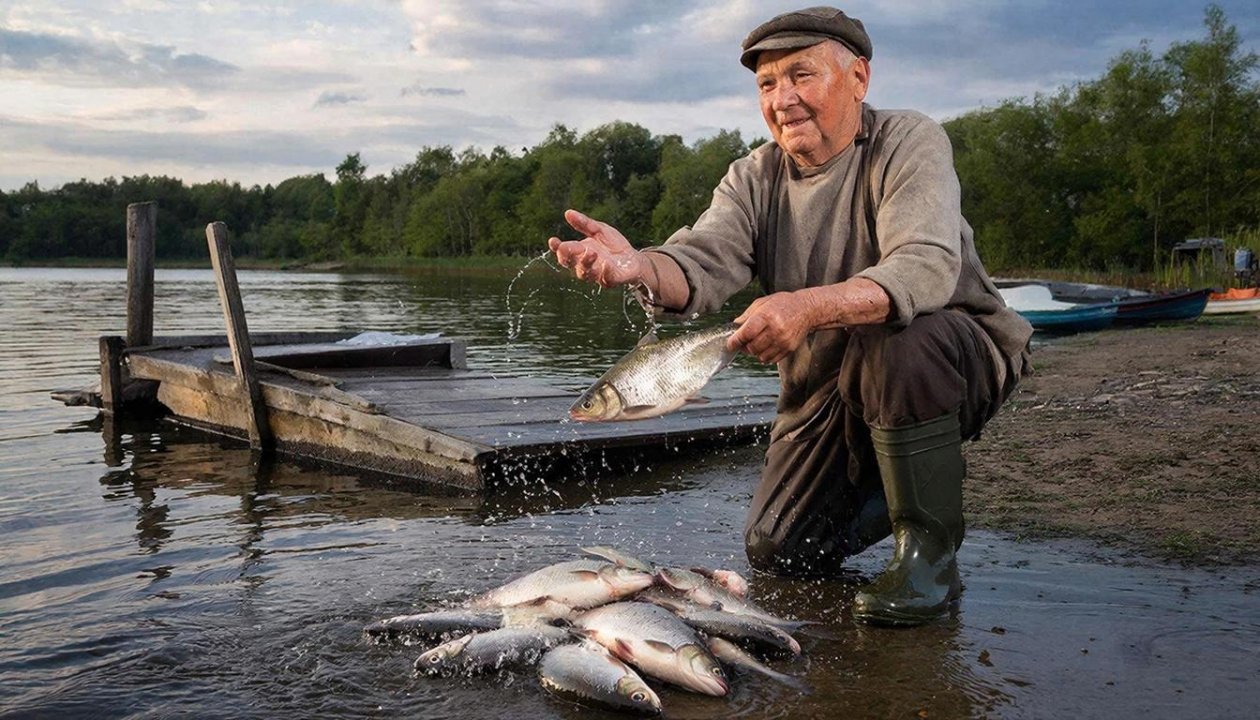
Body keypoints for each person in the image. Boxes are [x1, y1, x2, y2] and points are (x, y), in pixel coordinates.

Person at [548, 6, 1033, 626]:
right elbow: (699, 262)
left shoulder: (908, 141)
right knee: (780, 549)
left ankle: (930, 557)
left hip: (951, 356)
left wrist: (805, 307)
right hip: (826, 389)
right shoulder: (753, 176)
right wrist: (638, 266)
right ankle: (904, 482)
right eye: (767, 85)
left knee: (897, 337)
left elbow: (924, 268)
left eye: (801, 76)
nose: (783, 100)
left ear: (859, 77)